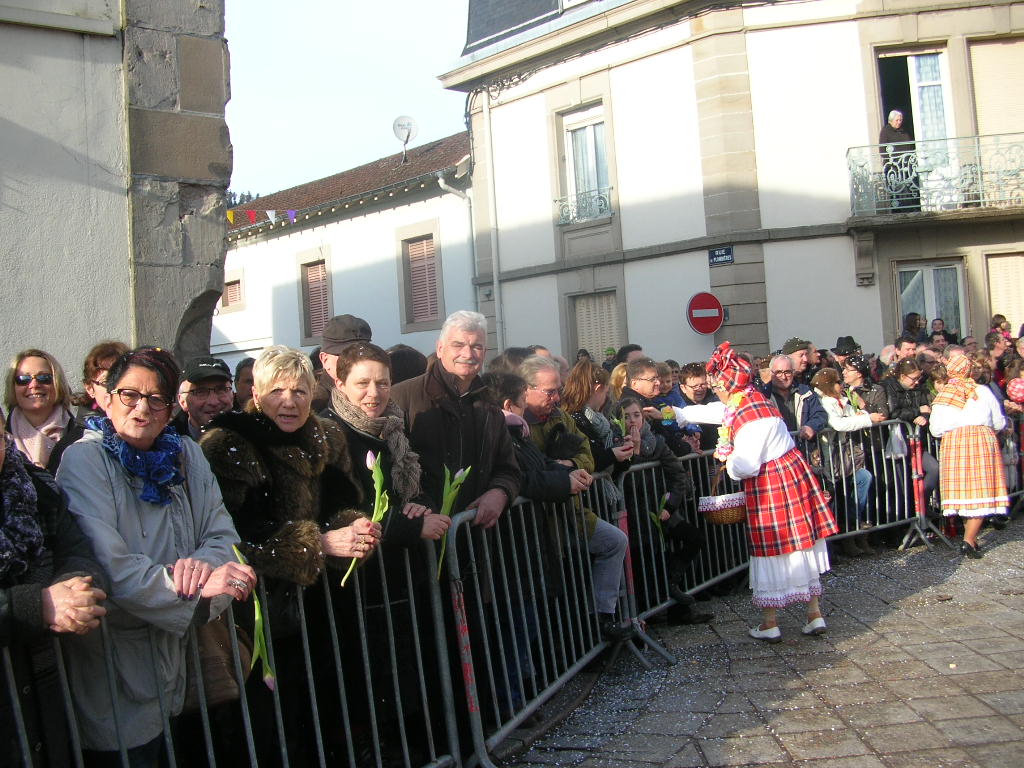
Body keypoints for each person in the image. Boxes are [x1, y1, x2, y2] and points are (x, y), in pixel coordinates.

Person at [55, 346, 255, 762]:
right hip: (120, 666)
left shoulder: (187, 454)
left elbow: (222, 535)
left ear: (170, 407)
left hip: (189, 661)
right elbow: (112, 565)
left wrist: (203, 570)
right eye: (130, 394)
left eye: (155, 398)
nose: (142, 408)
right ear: (107, 397)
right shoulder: (84, 460)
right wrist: (189, 590)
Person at [200, 345, 374, 763]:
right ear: (257, 395)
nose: (289, 401)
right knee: (273, 720)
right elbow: (237, 535)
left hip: (325, 601)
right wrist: (318, 544)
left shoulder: (326, 436)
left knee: (329, 706)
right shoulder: (229, 444)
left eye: (299, 390)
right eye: (277, 390)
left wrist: (355, 529)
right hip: (263, 609)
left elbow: (343, 499)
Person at [676, 342, 837, 642]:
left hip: (771, 483)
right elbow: (720, 412)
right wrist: (677, 413)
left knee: (772, 547)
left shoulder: (749, 416)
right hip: (790, 476)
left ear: (726, 384)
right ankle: (814, 614)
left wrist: (727, 458)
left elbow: (746, 465)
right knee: (802, 544)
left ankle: (770, 622)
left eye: (717, 385)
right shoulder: (752, 400)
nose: (717, 390)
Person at [0, 409, 109, 767]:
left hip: (41, 698)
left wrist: (71, 594)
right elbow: (42, 604)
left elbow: (80, 552)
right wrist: (39, 605)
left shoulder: (36, 488)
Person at [517, 355, 630, 640]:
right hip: (540, 523)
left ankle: (602, 617)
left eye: (559, 390)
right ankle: (569, 641)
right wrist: (557, 472)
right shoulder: (516, 423)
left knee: (614, 540)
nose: (557, 398)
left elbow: (586, 453)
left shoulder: (561, 416)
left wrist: (573, 466)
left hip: (574, 513)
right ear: (525, 389)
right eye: (550, 391)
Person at [391, 310, 520, 530]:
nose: (467, 353)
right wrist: (415, 504)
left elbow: (508, 468)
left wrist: (500, 492)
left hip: (474, 537)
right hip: (422, 541)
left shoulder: (490, 406)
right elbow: (390, 465)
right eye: (458, 345)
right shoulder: (402, 397)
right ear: (440, 348)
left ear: (484, 353)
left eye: (476, 346)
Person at [618, 396, 712, 624]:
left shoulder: (657, 441)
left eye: (637, 415)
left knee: (694, 538)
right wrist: (634, 449)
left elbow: (677, 474)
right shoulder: (618, 443)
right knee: (644, 564)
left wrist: (670, 505)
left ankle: (673, 582)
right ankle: (646, 616)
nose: (632, 421)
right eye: (626, 416)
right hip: (635, 516)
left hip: (660, 511)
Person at [930, 354, 1008, 558]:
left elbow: (936, 429)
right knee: (980, 492)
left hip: (954, 443)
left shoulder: (943, 395)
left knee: (965, 493)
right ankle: (968, 540)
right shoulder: (981, 391)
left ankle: (971, 538)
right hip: (981, 441)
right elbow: (999, 422)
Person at [811, 368, 884, 555]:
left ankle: (857, 531)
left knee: (864, 478)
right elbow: (838, 424)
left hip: (848, 455)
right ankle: (844, 541)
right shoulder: (824, 402)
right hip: (832, 457)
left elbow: (851, 417)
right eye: (837, 382)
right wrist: (867, 419)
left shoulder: (842, 400)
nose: (841, 385)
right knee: (838, 498)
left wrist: (859, 415)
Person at [4, 349, 82, 473]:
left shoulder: (82, 439)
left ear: (57, 383)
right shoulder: (3, 441)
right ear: (13, 386)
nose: (34, 384)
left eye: (44, 378)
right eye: (23, 379)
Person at [881, 358, 940, 502]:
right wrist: (916, 412)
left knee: (934, 469)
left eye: (918, 378)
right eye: (913, 379)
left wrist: (924, 416)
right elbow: (893, 412)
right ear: (902, 376)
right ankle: (911, 513)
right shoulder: (889, 387)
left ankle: (922, 506)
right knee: (903, 484)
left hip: (917, 440)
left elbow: (925, 407)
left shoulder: (919, 388)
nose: (917, 382)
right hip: (899, 441)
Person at [619, 357, 692, 457]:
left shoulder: (648, 402)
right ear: (635, 383)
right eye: (652, 379)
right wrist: (686, 447)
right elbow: (660, 437)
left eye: (657, 378)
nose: (658, 382)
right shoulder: (633, 407)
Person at [760, 354, 828, 443]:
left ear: (793, 372)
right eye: (779, 372)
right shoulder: (763, 396)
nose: (783, 377)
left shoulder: (805, 392)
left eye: (787, 372)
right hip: (778, 450)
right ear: (771, 373)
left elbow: (820, 414)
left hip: (804, 449)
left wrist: (811, 426)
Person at [312, 314, 373, 412]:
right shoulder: (316, 402)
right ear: (325, 360)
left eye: (363, 354)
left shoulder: (375, 393)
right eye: (346, 355)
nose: (356, 360)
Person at [171, 356, 235, 440]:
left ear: (233, 395)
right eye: (201, 392)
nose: (213, 402)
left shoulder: (253, 436)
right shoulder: (163, 445)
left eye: (221, 389)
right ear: (183, 401)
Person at [73, 340, 129, 425]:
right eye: (107, 382)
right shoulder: (82, 436)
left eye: (123, 380)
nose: (117, 389)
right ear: (90, 389)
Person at [879, 110, 919, 212]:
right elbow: (882, 150)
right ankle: (903, 210)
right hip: (894, 168)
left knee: (910, 187)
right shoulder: (885, 131)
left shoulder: (904, 131)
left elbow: (911, 146)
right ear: (891, 121)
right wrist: (893, 162)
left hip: (907, 165)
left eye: (900, 120)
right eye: (897, 120)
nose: (899, 122)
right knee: (899, 189)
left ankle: (911, 209)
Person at [678, 361, 721, 451]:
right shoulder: (677, 404)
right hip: (694, 460)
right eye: (695, 386)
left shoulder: (716, 400)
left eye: (702, 385)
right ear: (683, 388)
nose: (700, 389)